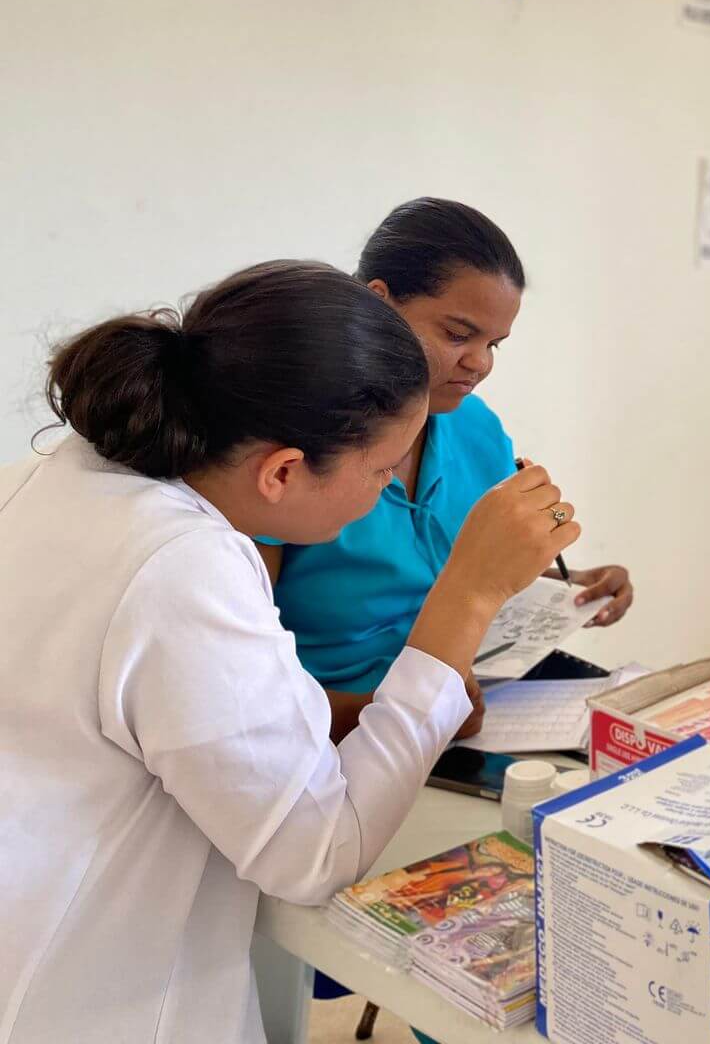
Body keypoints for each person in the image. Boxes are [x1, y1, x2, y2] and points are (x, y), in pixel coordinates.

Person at [0, 261, 579, 1043]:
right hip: (91, 998)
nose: (387, 488)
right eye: (380, 471)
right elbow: (315, 853)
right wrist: (463, 603)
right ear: (281, 471)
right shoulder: (184, 569)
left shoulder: (54, 476)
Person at [260, 198, 633, 743]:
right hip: (343, 743)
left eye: (494, 344)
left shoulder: (474, 427)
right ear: (379, 303)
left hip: (477, 705)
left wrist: (566, 588)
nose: (480, 363)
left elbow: (458, 583)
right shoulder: (297, 456)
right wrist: (405, 710)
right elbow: (244, 696)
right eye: (458, 335)